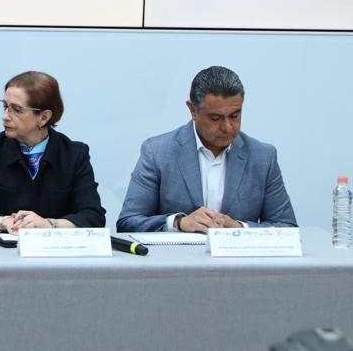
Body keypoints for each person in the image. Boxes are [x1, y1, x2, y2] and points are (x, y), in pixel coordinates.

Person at [117, 65, 297, 233]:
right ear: (193, 110)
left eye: (235, 116)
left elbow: (287, 227)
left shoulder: (263, 157)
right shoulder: (157, 152)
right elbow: (128, 223)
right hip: (177, 256)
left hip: (237, 256)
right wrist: (178, 223)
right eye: (215, 118)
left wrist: (240, 229)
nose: (228, 127)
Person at [0, 71, 105, 234]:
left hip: (56, 248)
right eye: (5, 106)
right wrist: (5, 222)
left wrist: (49, 224)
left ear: (44, 117)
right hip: (5, 247)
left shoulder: (74, 154)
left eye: (16, 110)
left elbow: (93, 216)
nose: (5, 117)